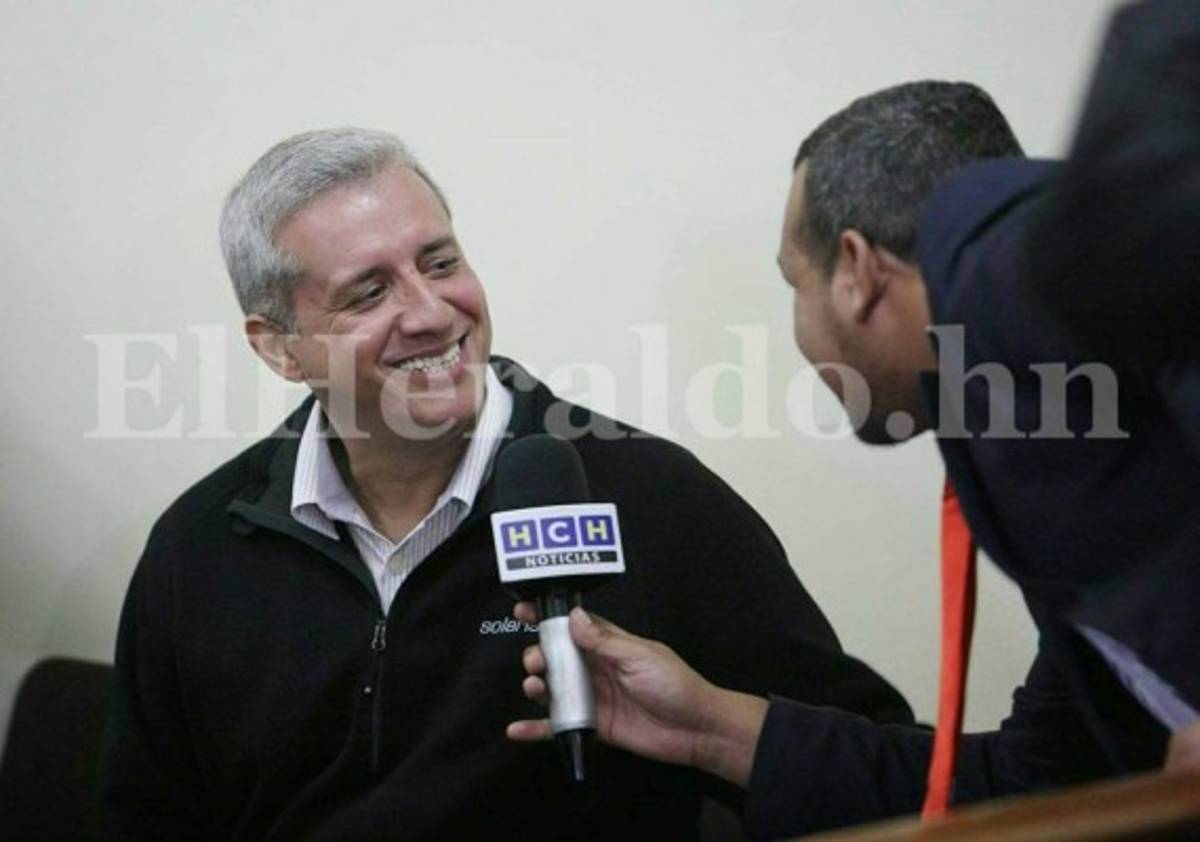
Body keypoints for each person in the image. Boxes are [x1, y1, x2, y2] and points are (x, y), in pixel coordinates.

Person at [98, 128, 914, 840]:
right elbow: (146, 820)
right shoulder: (200, 546)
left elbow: (872, 772)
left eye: (440, 262)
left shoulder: (652, 500)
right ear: (279, 348)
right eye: (370, 291)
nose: (431, 312)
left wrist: (714, 731)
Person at [508, 1, 1200, 837]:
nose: (800, 332)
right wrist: (706, 725)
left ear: (857, 272)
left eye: (793, 284)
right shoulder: (1031, 417)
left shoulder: (995, 279)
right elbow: (1033, 778)